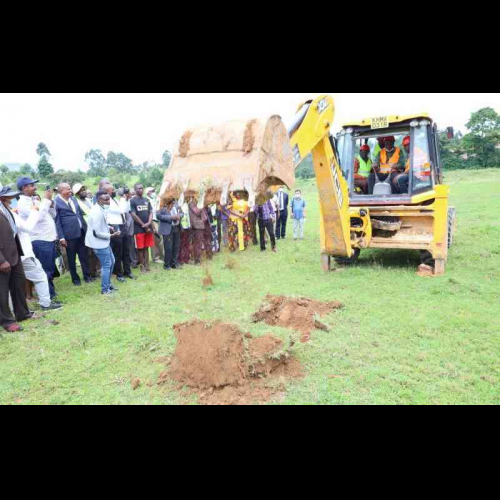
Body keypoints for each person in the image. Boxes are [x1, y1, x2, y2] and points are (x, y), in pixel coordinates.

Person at [11, 195, 63, 312]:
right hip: (20, 253)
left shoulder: (9, 212)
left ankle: (18, 311)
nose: (11, 199)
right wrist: (34, 210)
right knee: (39, 276)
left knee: (17, 282)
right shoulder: (10, 211)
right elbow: (28, 226)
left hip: (18, 253)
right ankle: (43, 304)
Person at [17, 177, 60, 302]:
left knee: (50, 268)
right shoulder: (22, 203)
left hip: (49, 238)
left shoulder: (34, 200)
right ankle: (49, 297)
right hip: (40, 240)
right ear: (24, 188)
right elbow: (39, 217)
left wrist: (49, 203)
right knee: (46, 270)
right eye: (32, 185)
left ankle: (51, 293)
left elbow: (51, 215)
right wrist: (45, 200)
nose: (35, 187)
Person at [0, 186, 34, 333]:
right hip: (3, 258)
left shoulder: (5, 208)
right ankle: (7, 321)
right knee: (2, 291)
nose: (12, 198)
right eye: (9, 196)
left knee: (18, 285)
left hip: (14, 254)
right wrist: (1, 260)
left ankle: (23, 314)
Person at [55, 183, 92, 287]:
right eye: (68, 189)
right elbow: (57, 222)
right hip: (69, 235)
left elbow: (79, 213)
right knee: (71, 259)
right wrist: (61, 237)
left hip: (81, 232)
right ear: (61, 191)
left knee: (84, 256)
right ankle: (75, 280)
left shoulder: (73, 199)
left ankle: (87, 277)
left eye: (70, 189)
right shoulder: (56, 202)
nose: (70, 191)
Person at [86, 191, 120, 295]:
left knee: (112, 261)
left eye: (108, 199)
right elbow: (96, 233)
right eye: (106, 200)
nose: (108, 201)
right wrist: (111, 235)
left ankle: (108, 284)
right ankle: (105, 290)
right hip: (98, 242)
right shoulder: (96, 212)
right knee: (106, 265)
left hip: (104, 242)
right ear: (99, 200)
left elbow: (101, 224)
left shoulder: (102, 208)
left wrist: (109, 227)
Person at [102, 183, 134, 282]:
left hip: (122, 226)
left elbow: (127, 209)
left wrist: (126, 198)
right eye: (112, 189)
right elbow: (121, 210)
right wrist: (124, 198)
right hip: (115, 227)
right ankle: (119, 274)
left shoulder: (114, 200)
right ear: (107, 192)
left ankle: (127, 271)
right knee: (118, 252)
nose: (114, 191)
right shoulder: (107, 203)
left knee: (126, 250)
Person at [73, 183, 99, 278]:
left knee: (94, 252)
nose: (84, 191)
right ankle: (89, 273)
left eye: (84, 189)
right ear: (77, 193)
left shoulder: (89, 200)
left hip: (93, 228)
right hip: (84, 230)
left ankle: (94, 271)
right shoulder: (75, 202)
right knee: (87, 253)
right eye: (81, 190)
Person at [130, 184, 154, 273]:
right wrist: (143, 225)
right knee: (140, 248)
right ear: (135, 189)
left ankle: (147, 265)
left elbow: (150, 212)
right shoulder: (132, 201)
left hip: (148, 227)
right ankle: (142, 266)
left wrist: (148, 223)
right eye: (139, 188)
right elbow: (133, 214)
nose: (141, 189)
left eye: (142, 188)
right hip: (139, 229)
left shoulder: (146, 200)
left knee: (146, 247)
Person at [157, 199, 183, 270]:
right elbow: (158, 216)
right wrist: (171, 217)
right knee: (168, 247)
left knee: (176, 246)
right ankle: (167, 265)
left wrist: (179, 216)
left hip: (176, 227)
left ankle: (174, 263)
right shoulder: (162, 203)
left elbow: (182, 213)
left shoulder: (176, 203)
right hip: (167, 229)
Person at [120, 188, 138, 273]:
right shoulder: (122, 201)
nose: (131, 195)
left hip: (131, 227)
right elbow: (124, 212)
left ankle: (134, 261)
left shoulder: (128, 201)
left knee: (132, 245)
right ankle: (132, 262)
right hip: (126, 227)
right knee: (128, 245)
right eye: (130, 194)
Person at [146, 187, 164, 264]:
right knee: (155, 240)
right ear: (148, 193)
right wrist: (151, 225)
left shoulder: (155, 199)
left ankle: (162, 256)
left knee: (160, 239)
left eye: (154, 191)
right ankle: (155, 258)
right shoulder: (146, 200)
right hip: (152, 221)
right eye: (152, 191)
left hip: (159, 220)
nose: (154, 192)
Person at [189, 198, 210, 265]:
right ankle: (197, 260)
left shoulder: (198, 203)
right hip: (196, 226)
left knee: (199, 243)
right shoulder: (191, 204)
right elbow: (197, 212)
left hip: (200, 225)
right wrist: (202, 206)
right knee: (197, 243)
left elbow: (204, 215)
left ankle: (198, 258)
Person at [179, 198, 192, 265]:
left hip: (187, 227)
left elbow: (188, 217)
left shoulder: (187, 205)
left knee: (187, 243)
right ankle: (181, 259)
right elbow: (182, 216)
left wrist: (189, 226)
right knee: (182, 244)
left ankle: (186, 259)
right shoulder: (180, 205)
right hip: (182, 228)